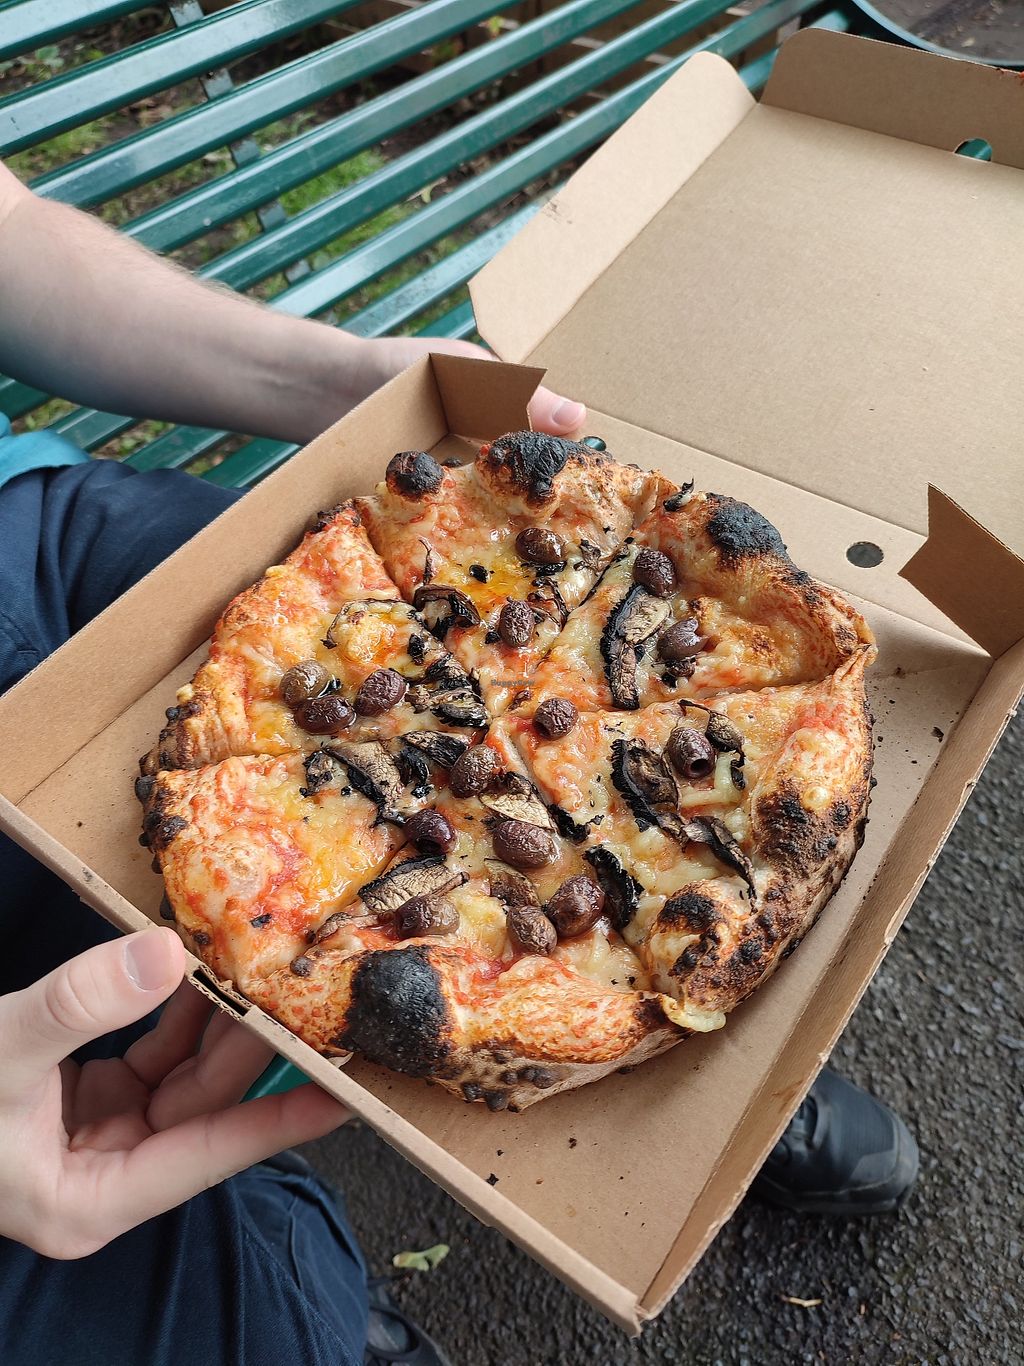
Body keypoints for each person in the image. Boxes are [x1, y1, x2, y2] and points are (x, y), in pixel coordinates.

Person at [0, 158, 916, 1366]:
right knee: (240, 1317)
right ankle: (337, 1320)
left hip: (34, 530)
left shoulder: (767, 665)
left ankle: (710, 1028)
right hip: (264, 873)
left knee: (687, 919)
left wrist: (344, 384)